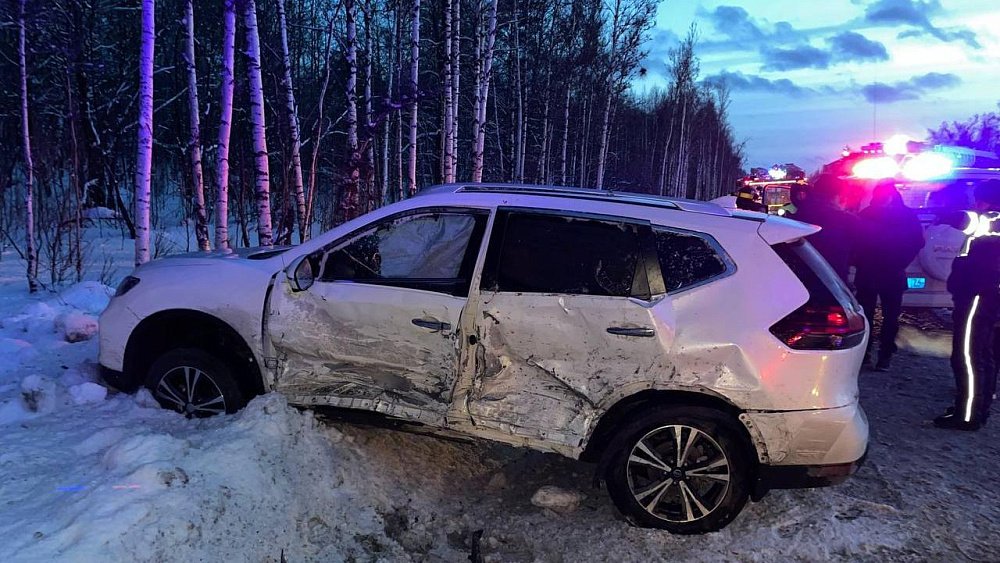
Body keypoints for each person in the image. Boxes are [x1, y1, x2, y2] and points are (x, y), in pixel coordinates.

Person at [934, 179, 1000, 431]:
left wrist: (947, 213)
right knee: (983, 355)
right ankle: (977, 408)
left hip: (977, 296)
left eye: (977, 199)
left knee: (967, 356)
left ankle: (967, 415)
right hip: (984, 294)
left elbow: (970, 221)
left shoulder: (992, 219)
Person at [854, 181, 925, 371]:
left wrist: (859, 261)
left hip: (868, 272)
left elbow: (855, 242)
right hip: (893, 273)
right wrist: (901, 262)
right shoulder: (907, 216)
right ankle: (885, 357)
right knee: (891, 317)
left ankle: (864, 354)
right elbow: (918, 242)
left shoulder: (866, 214)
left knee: (865, 315)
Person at [791, 174, 861, 283]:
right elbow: (861, 251)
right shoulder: (846, 220)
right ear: (836, 196)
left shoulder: (798, 216)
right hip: (832, 283)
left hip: (801, 281)